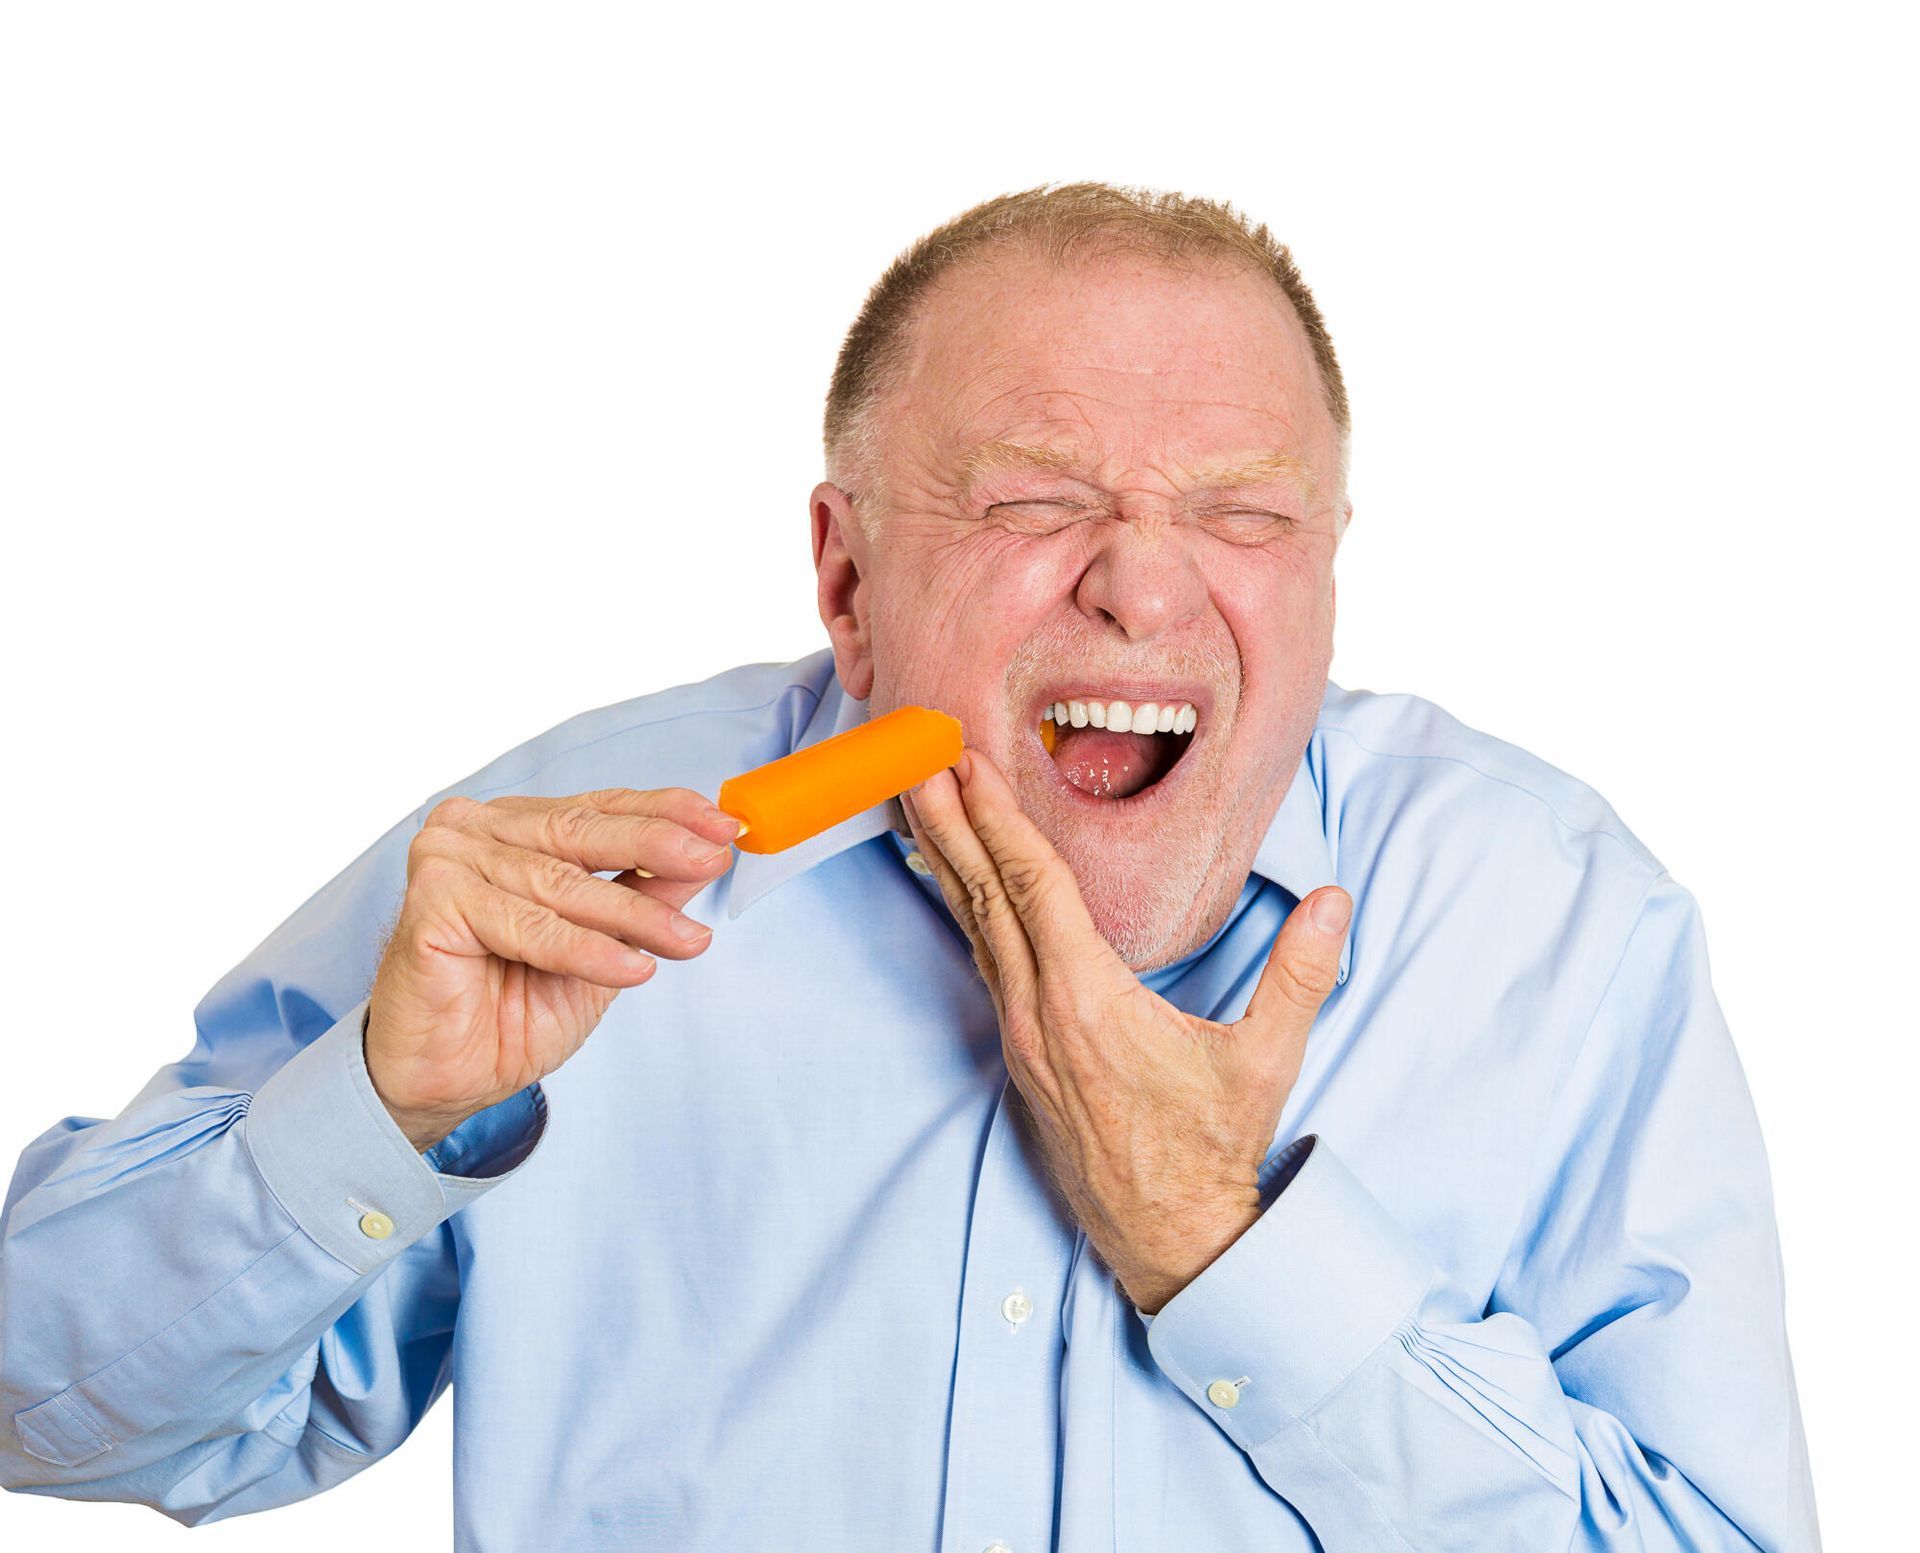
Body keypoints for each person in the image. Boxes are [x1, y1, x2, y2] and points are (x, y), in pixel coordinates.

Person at [0, 182, 1820, 1550]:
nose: (1146, 584)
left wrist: (1221, 1245)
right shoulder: (566, 868)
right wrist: (381, 1110)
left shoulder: (1558, 929)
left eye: (1246, 515)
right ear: (847, 580)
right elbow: (50, 1406)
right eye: (1037, 504)